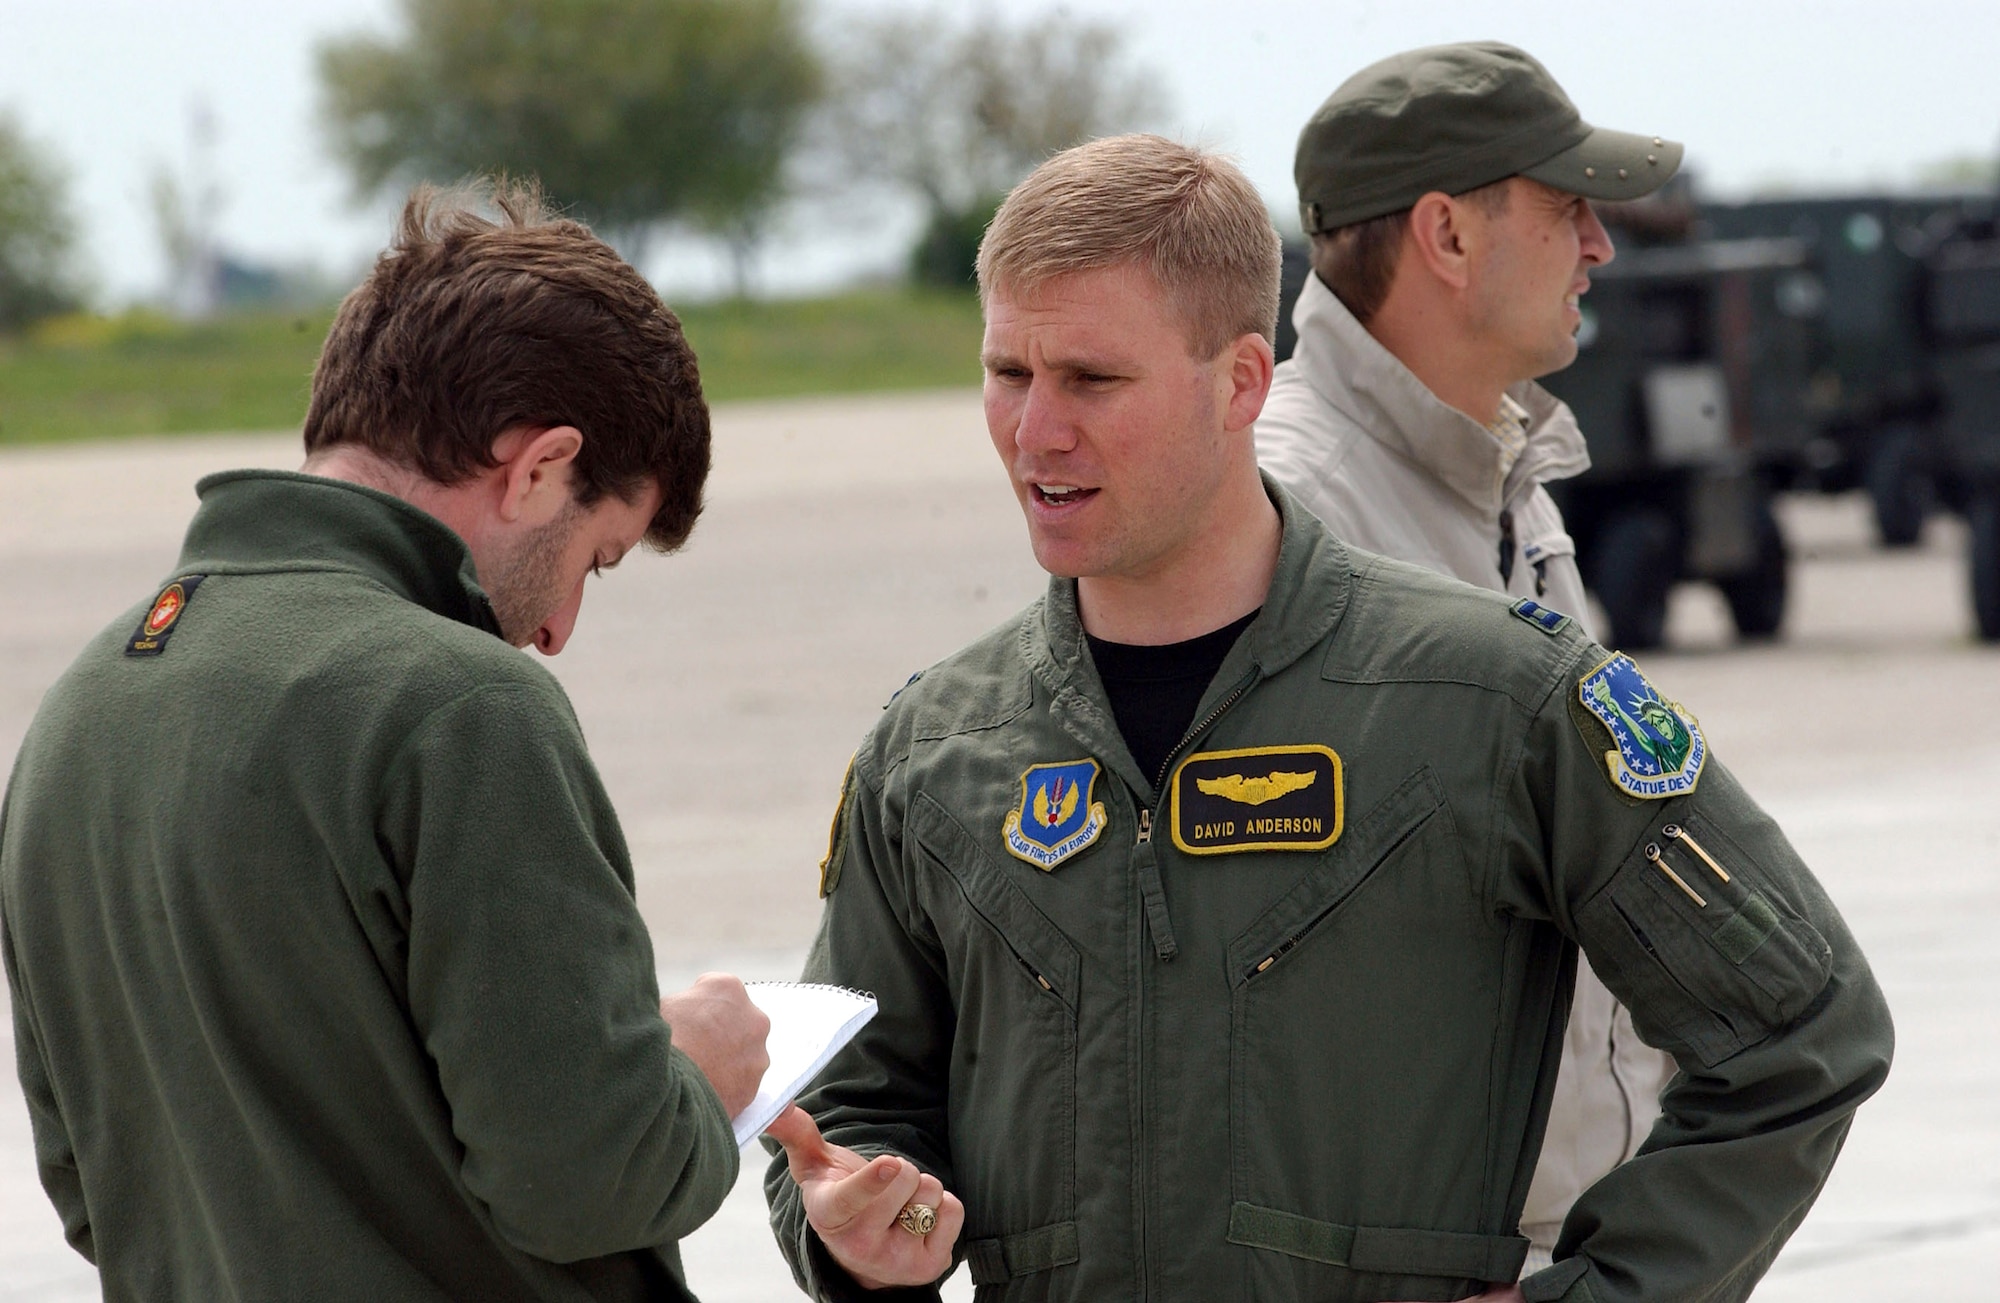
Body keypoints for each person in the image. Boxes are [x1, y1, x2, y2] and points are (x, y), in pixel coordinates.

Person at [762, 134, 1891, 1303]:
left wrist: (1604, 1293)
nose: (1034, 431)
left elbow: (1800, 1029)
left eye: (1092, 380)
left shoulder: (1494, 700)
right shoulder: (937, 748)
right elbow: (850, 1099)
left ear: (1241, 380)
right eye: (1008, 373)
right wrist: (847, 1221)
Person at [1, 182, 770, 1302]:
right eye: (593, 559)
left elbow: (90, 1188)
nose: (556, 629)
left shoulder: (82, 703)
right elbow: (585, 1178)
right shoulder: (462, 708)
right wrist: (694, 1082)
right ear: (542, 467)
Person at [1253, 42, 1684, 1268]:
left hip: (1562, 1235)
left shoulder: (1500, 479)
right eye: (1565, 208)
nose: (1599, 245)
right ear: (1445, 235)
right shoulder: (1291, 511)